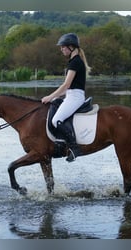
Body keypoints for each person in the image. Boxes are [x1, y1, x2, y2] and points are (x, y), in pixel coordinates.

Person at [41, 33, 91, 162]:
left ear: (71, 47)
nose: (61, 49)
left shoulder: (75, 62)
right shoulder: (74, 61)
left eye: (63, 47)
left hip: (75, 97)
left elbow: (66, 85)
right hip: (71, 95)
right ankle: (60, 140)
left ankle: (75, 148)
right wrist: (54, 98)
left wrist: (50, 96)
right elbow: (68, 88)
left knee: (56, 120)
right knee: (55, 104)